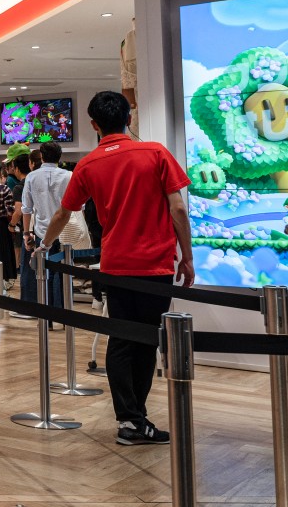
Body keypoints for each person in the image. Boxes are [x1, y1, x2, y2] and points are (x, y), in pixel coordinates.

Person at [40, 90, 192, 446]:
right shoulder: (155, 152)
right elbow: (179, 209)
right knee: (147, 339)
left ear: (94, 124)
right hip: (156, 266)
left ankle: (131, 419)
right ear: (129, 118)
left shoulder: (88, 165)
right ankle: (134, 419)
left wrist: (45, 245)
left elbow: (64, 213)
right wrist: (187, 255)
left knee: (122, 339)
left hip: (116, 264)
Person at [18, 141, 68, 317]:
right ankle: (61, 310)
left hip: (41, 232)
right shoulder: (68, 175)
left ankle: (45, 310)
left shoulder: (32, 177)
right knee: (62, 272)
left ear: (42, 156)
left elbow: (26, 208)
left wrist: (26, 233)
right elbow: (80, 207)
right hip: (65, 232)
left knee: (43, 272)